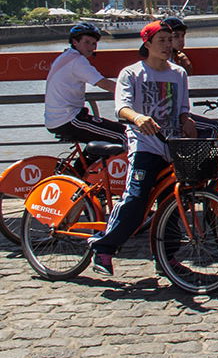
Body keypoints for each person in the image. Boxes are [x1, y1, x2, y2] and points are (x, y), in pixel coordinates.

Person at [89, 21, 197, 276]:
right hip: (144, 145)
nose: (168, 46)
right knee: (137, 200)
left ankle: (166, 257)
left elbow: (182, 108)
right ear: (147, 43)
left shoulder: (178, 74)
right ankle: (103, 249)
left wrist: (186, 120)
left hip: (171, 146)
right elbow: (121, 107)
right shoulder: (132, 73)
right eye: (162, 41)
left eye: (170, 40)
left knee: (172, 202)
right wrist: (137, 118)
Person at [44, 22, 126, 148]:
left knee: (104, 138)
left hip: (58, 119)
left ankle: (85, 167)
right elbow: (103, 83)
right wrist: (130, 93)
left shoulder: (65, 56)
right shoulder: (77, 61)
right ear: (75, 42)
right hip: (69, 119)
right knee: (124, 135)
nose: (91, 47)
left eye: (94, 44)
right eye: (87, 42)